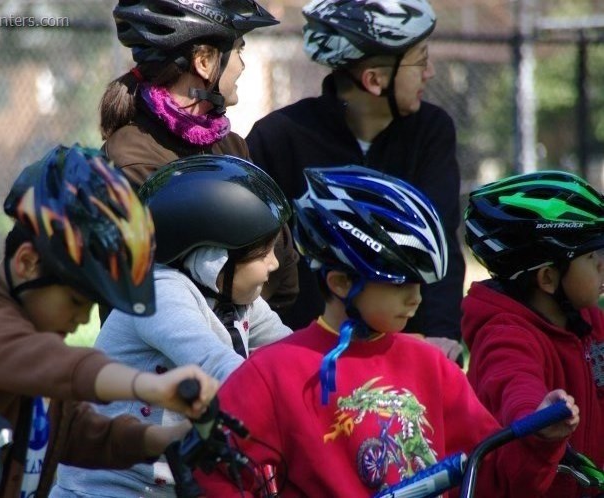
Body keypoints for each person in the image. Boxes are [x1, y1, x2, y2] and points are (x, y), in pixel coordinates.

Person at [0, 144, 219, 498]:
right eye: (76, 300)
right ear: (27, 263)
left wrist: (163, 440)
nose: (81, 320)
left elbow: (65, 429)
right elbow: (51, 363)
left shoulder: (26, 347)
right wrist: (149, 386)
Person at [194, 165, 579, 497]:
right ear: (341, 282)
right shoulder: (273, 374)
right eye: (400, 284)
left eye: (421, 285)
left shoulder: (433, 368)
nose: (417, 300)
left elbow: (495, 479)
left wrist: (540, 442)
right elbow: (218, 478)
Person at [51, 155, 293, 498]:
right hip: (108, 492)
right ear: (212, 260)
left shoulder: (233, 300)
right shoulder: (158, 292)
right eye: (263, 253)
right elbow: (217, 367)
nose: (275, 263)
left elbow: (294, 353)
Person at [245, 0, 465, 359]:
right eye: (421, 60)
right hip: (305, 354)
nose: (430, 73)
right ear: (374, 80)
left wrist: (442, 333)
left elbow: (441, 236)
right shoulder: (278, 138)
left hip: (406, 350)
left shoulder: (431, 130)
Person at [98, 0, 299, 315]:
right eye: (239, 50)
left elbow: (283, 275)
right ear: (205, 62)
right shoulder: (129, 160)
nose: (242, 66)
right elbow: (173, 295)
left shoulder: (232, 147)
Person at [462, 170, 604, 497]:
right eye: (591, 256)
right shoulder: (504, 336)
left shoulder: (589, 320)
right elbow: (514, 382)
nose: (602, 264)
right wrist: (538, 423)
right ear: (547, 279)